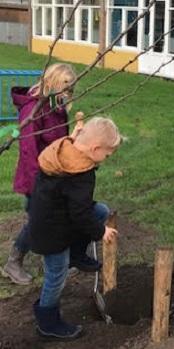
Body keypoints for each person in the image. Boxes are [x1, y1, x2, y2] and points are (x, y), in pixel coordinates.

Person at [2, 64, 104, 286]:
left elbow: (59, 144)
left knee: (58, 217)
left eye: (71, 89)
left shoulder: (56, 108)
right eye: (66, 89)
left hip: (55, 176)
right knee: (37, 222)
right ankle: (13, 262)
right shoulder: (33, 110)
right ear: (53, 85)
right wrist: (39, 184)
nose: (69, 94)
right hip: (37, 179)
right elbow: (29, 152)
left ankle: (66, 257)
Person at [30, 117, 121, 340]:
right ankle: (48, 324)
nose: (106, 159)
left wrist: (77, 132)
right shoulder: (81, 174)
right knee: (56, 275)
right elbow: (80, 214)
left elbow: (81, 209)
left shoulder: (65, 148)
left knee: (101, 211)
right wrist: (101, 232)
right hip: (52, 232)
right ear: (95, 148)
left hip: (50, 214)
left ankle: (77, 255)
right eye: (107, 155)